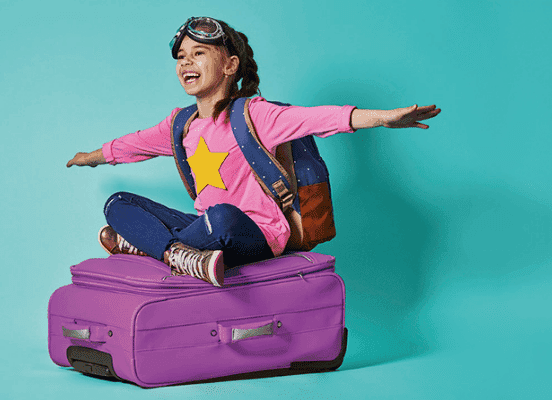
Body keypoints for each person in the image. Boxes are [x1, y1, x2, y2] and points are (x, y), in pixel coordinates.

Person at [67, 17, 441, 287]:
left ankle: (152, 246)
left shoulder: (255, 114)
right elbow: (135, 144)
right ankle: (176, 255)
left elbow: (320, 118)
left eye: (199, 53)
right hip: (203, 231)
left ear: (230, 66)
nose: (186, 62)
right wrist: (92, 155)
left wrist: (386, 118)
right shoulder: (180, 124)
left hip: (254, 233)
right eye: (181, 56)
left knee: (223, 218)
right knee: (117, 204)